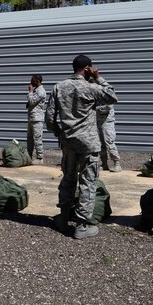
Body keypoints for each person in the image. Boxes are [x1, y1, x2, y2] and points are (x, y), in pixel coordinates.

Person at [46, 55, 118, 239]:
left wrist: (59, 134)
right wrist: (98, 77)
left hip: (68, 143)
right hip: (88, 144)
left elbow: (49, 118)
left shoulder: (59, 87)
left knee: (68, 180)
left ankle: (62, 218)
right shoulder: (91, 87)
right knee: (88, 183)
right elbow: (112, 96)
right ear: (87, 69)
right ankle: (81, 226)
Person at [26, 74, 48, 163]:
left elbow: (32, 102)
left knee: (37, 138)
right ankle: (28, 156)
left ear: (37, 81)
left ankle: (40, 158)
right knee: (29, 138)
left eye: (32, 80)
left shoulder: (41, 91)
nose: (31, 82)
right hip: (32, 117)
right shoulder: (36, 90)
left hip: (37, 118)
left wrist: (30, 92)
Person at [96, 103, 122, 172]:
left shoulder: (107, 93)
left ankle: (117, 163)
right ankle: (104, 163)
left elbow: (108, 107)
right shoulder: (95, 93)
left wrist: (94, 108)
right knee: (100, 143)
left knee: (109, 141)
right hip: (98, 120)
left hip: (107, 121)